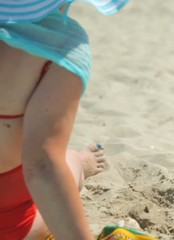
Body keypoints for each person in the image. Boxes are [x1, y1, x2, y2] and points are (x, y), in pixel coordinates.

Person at [0, 1, 127, 239]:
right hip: (8, 224)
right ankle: (81, 163)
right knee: (61, 161)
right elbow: (42, 167)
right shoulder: (59, 46)